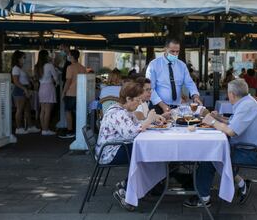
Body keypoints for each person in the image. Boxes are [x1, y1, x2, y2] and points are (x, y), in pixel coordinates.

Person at [183, 79, 257, 207]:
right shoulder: (246, 102)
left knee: (210, 155)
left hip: (253, 153)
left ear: (232, 94)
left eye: (228, 93)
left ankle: (203, 198)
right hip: (248, 148)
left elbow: (230, 131)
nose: (227, 95)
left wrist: (211, 122)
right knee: (213, 152)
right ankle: (240, 184)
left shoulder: (246, 106)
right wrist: (217, 117)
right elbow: (233, 122)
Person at [95, 82, 164, 211]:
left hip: (115, 148)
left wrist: (152, 120)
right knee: (146, 155)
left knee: (147, 153)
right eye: (137, 100)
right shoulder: (117, 113)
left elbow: (137, 124)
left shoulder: (124, 110)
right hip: (109, 153)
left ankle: (130, 186)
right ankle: (127, 191)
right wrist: (149, 120)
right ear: (128, 99)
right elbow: (130, 134)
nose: (139, 103)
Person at [146, 38, 201, 114]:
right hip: (157, 106)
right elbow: (150, 88)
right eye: (172, 51)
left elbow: (190, 83)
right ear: (165, 49)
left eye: (177, 51)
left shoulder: (182, 65)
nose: (175, 54)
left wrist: (195, 96)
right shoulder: (154, 65)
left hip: (176, 107)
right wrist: (162, 105)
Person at [11, 50, 40, 135]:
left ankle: (30, 126)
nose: (25, 59)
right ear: (18, 58)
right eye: (23, 57)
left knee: (27, 109)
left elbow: (24, 79)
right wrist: (25, 89)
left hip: (24, 89)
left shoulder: (20, 68)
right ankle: (19, 128)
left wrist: (30, 80)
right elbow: (16, 81)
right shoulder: (15, 68)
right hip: (20, 90)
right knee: (19, 110)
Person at [60, 49, 86, 139]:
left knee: (68, 111)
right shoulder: (82, 67)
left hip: (70, 92)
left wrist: (63, 92)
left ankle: (70, 130)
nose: (68, 56)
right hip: (80, 93)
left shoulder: (70, 67)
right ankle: (78, 130)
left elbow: (68, 81)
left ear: (72, 56)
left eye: (69, 55)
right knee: (78, 112)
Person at [34, 50, 59, 136]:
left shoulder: (37, 66)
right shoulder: (49, 65)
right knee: (48, 110)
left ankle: (43, 129)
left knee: (43, 110)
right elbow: (55, 77)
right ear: (46, 56)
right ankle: (46, 129)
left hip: (41, 88)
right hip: (49, 87)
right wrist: (56, 82)